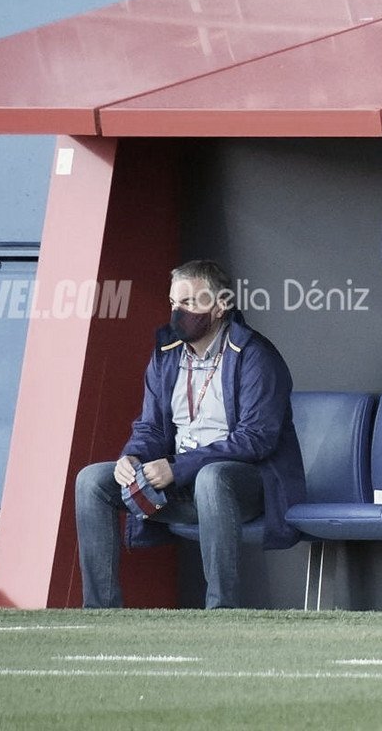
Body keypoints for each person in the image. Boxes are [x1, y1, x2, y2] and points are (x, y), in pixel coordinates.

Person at [74, 260, 305, 609]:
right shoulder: (166, 355)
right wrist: (133, 455)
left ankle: (221, 609)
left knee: (212, 477)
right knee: (91, 480)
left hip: (244, 486)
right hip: (179, 486)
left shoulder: (255, 355)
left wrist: (178, 467)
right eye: (173, 303)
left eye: (190, 303)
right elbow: (150, 426)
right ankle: (101, 610)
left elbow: (256, 438)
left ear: (221, 304)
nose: (177, 312)